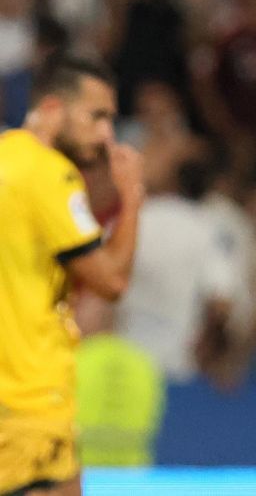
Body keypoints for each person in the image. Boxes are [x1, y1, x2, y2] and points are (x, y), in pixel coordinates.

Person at [0, 56, 144, 496]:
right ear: (52, 108)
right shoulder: (48, 173)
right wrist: (133, 194)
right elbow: (111, 282)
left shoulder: (7, 159)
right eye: (96, 116)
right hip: (30, 401)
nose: (105, 134)